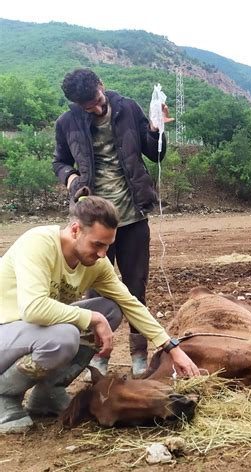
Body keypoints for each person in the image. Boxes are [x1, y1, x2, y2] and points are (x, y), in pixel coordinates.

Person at [0, 194, 200, 433]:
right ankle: (5, 397)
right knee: (65, 336)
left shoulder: (95, 264)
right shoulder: (38, 244)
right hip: (7, 330)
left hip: (32, 333)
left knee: (110, 309)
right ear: (75, 230)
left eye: (108, 245)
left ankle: (48, 393)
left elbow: (130, 303)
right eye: (97, 244)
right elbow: (33, 308)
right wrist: (92, 318)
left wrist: (172, 347)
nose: (103, 254)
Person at [53, 68, 173, 377]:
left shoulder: (128, 108)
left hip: (132, 216)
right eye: (85, 106)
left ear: (101, 87)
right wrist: (70, 178)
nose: (94, 108)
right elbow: (59, 161)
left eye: (95, 100)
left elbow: (154, 154)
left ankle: (138, 355)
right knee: (94, 292)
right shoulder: (66, 123)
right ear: (75, 104)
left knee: (135, 287)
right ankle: (98, 356)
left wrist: (158, 129)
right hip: (94, 220)